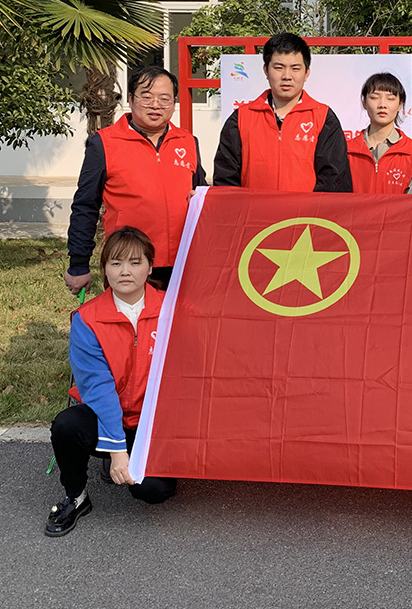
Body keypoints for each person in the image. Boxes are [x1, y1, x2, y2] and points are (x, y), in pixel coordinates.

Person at [46, 227, 177, 536]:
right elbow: (98, 389)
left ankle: (136, 457)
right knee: (66, 425)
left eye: (135, 262)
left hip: (153, 424)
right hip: (106, 417)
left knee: (153, 491)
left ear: (150, 267)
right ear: (104, 269)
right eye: (116, 263)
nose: (125, 271)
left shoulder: (172, 310)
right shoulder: (87, 319)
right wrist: (117, 449)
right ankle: (76, 496)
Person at [64, 65, 206, 294]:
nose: (155, 105)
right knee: (130, 318)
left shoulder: (187, 141)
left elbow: (202, 197)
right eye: (146, 97)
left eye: (164, 99)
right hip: (128, 263)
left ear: (174, 102)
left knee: (180, 318)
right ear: (130, 99)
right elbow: (85, 205)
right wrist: (78, 264)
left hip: (183, 261)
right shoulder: (104, 143)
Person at [212, 32, 352, 192]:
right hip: (255, 209)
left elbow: (334, 182)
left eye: (295, 68)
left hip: (305, 209)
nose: (287, 76)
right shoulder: (241, 118)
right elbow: (226, 180)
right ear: (266, 70)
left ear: (306, 73)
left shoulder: (323, 118)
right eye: (278, 68)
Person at [346, 72, 412, 194]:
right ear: (364, 103)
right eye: (374, 98)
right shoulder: (347, 151)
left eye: (390, 99)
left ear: (400, 104)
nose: (382, 105)